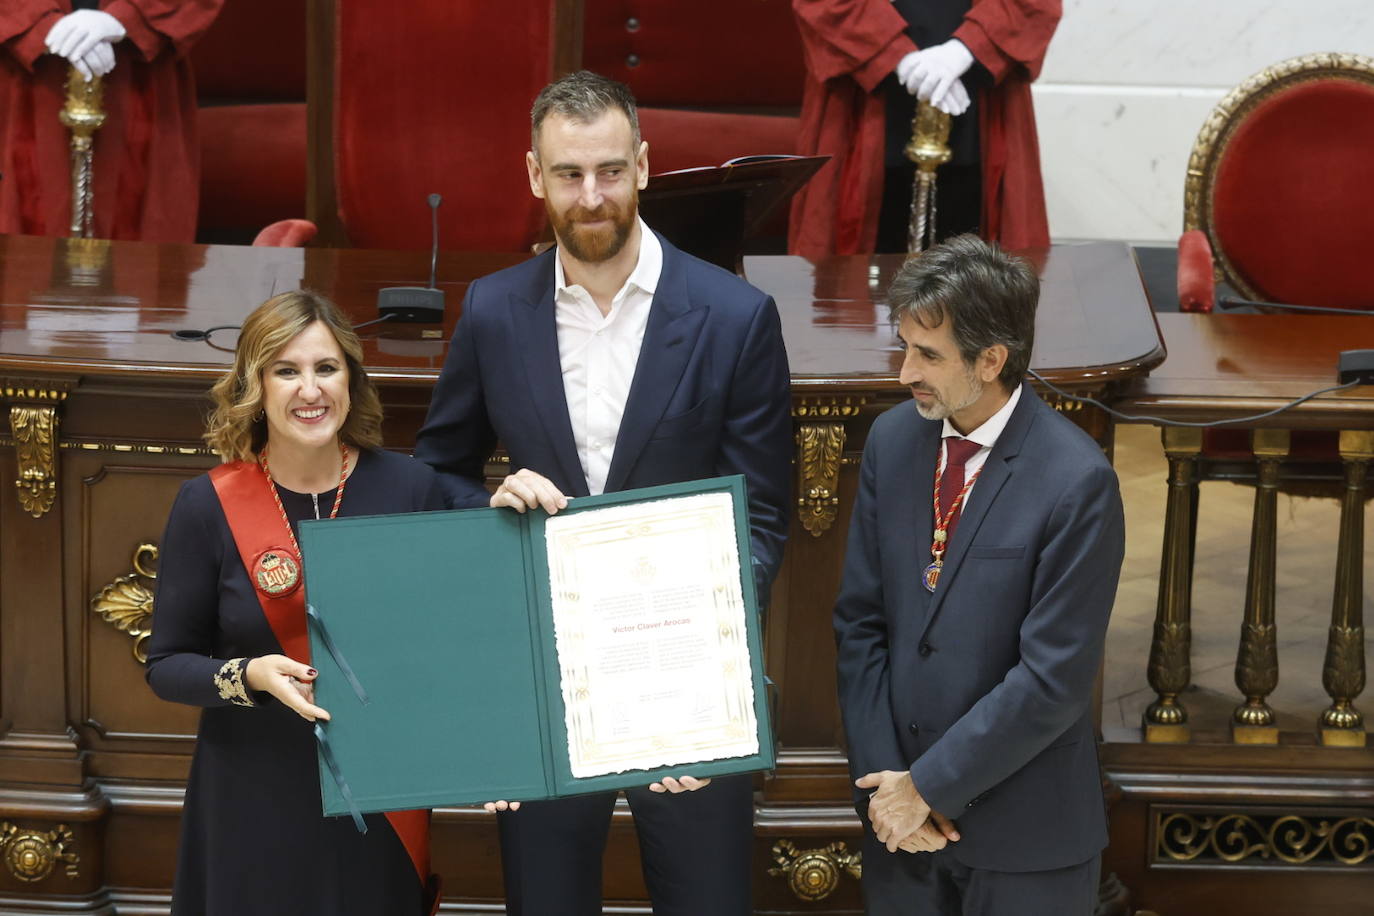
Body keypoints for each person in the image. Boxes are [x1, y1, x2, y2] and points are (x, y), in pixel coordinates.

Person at [413, 70, 792, 916]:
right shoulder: (492, 311)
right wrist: (489, 509)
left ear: (645, 167)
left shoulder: (736, 318)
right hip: (543, 679)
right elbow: (436, 471)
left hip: (687, 682)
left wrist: (709, 670)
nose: (592, 196)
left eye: (611, 171)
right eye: (570, 174)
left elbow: (763, 518)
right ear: (534, 176)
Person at [833, 235, 1123, 915]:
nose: (906, 373)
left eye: (929, 355)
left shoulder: (1077, 482)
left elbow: (1052, 681)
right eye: (904, 345)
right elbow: (860, 623)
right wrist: (888, 791)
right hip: (900, 833)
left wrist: (927, 786)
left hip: (1026, 845)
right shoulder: (893, 441)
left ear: (991, 359)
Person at [145, 290, 443, 915]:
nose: (310, 390)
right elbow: (167, 664)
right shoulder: (207, 504)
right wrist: (248, 675)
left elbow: (455, 642)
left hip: (378, 799)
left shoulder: (412, 489)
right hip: (251, 794)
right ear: (256, 386)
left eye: (326, 368)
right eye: (286, 371)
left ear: (351, 380)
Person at [788, 0, 1060, 255]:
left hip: (982, 87)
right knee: (854, 279)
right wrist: (895, 56)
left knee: (976, 265)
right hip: (861, 88)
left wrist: (966, 50)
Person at [1, 0, 222, 241]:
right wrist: (37, 25)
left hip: (141, 74)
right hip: (24, 73)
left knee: (140, 254)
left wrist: (128, 17)